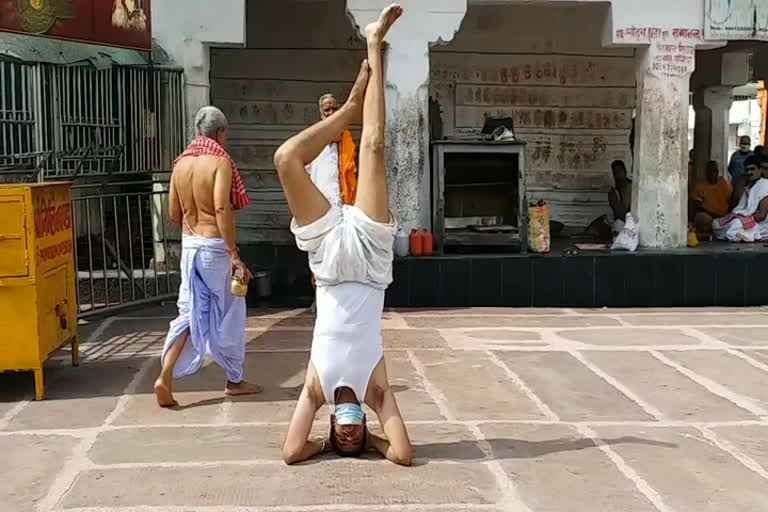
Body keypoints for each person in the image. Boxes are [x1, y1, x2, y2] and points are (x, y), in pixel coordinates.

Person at [274, 4, 412, 466]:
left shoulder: (317, 387)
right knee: (374, 146)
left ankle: (353, 107)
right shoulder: (376, 390)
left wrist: (320, 446)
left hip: (331, 263)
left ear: (333, 426)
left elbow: (293, 451)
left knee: (284, 160)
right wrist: (373, 442)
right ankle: (375, 43)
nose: (351, 436)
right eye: (358, 438)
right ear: (366, 424)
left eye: (343, 439)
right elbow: (404, 453)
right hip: (371, 265)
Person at [154, 106, 262, 407]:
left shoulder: (180, 165)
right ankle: (234, 380)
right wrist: (235, 255)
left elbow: (174, 214)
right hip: (215, 248)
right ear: (221, 133)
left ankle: (165, 375)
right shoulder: (220, 162)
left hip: (190, 248)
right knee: (231, 313)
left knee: (188, 313)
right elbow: (221, 209)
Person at [713, 155, 768, 242]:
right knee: (715, 224)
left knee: (735, 223)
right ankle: (739, 234)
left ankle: (739, 234)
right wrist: (735, 216)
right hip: (747, 220)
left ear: (760, 170)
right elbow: (741, 208)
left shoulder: (764, 185)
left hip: (761, 225)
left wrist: (741, 220)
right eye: (747, 170)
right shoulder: (748, 187)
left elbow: (762, 216)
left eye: (752, 169)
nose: (749, 172)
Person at [691, 160, 732, 236]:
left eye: (715, 170)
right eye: (710, 171)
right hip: (709, 217)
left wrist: (727, 215)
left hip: (723, 216)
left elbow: (730, 200)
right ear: (706, 172)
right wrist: (715, 216)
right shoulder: (700, 185)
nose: (713, 173)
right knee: (701, 217)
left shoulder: (723, 182)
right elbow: (697, 207)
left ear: (717, 171)